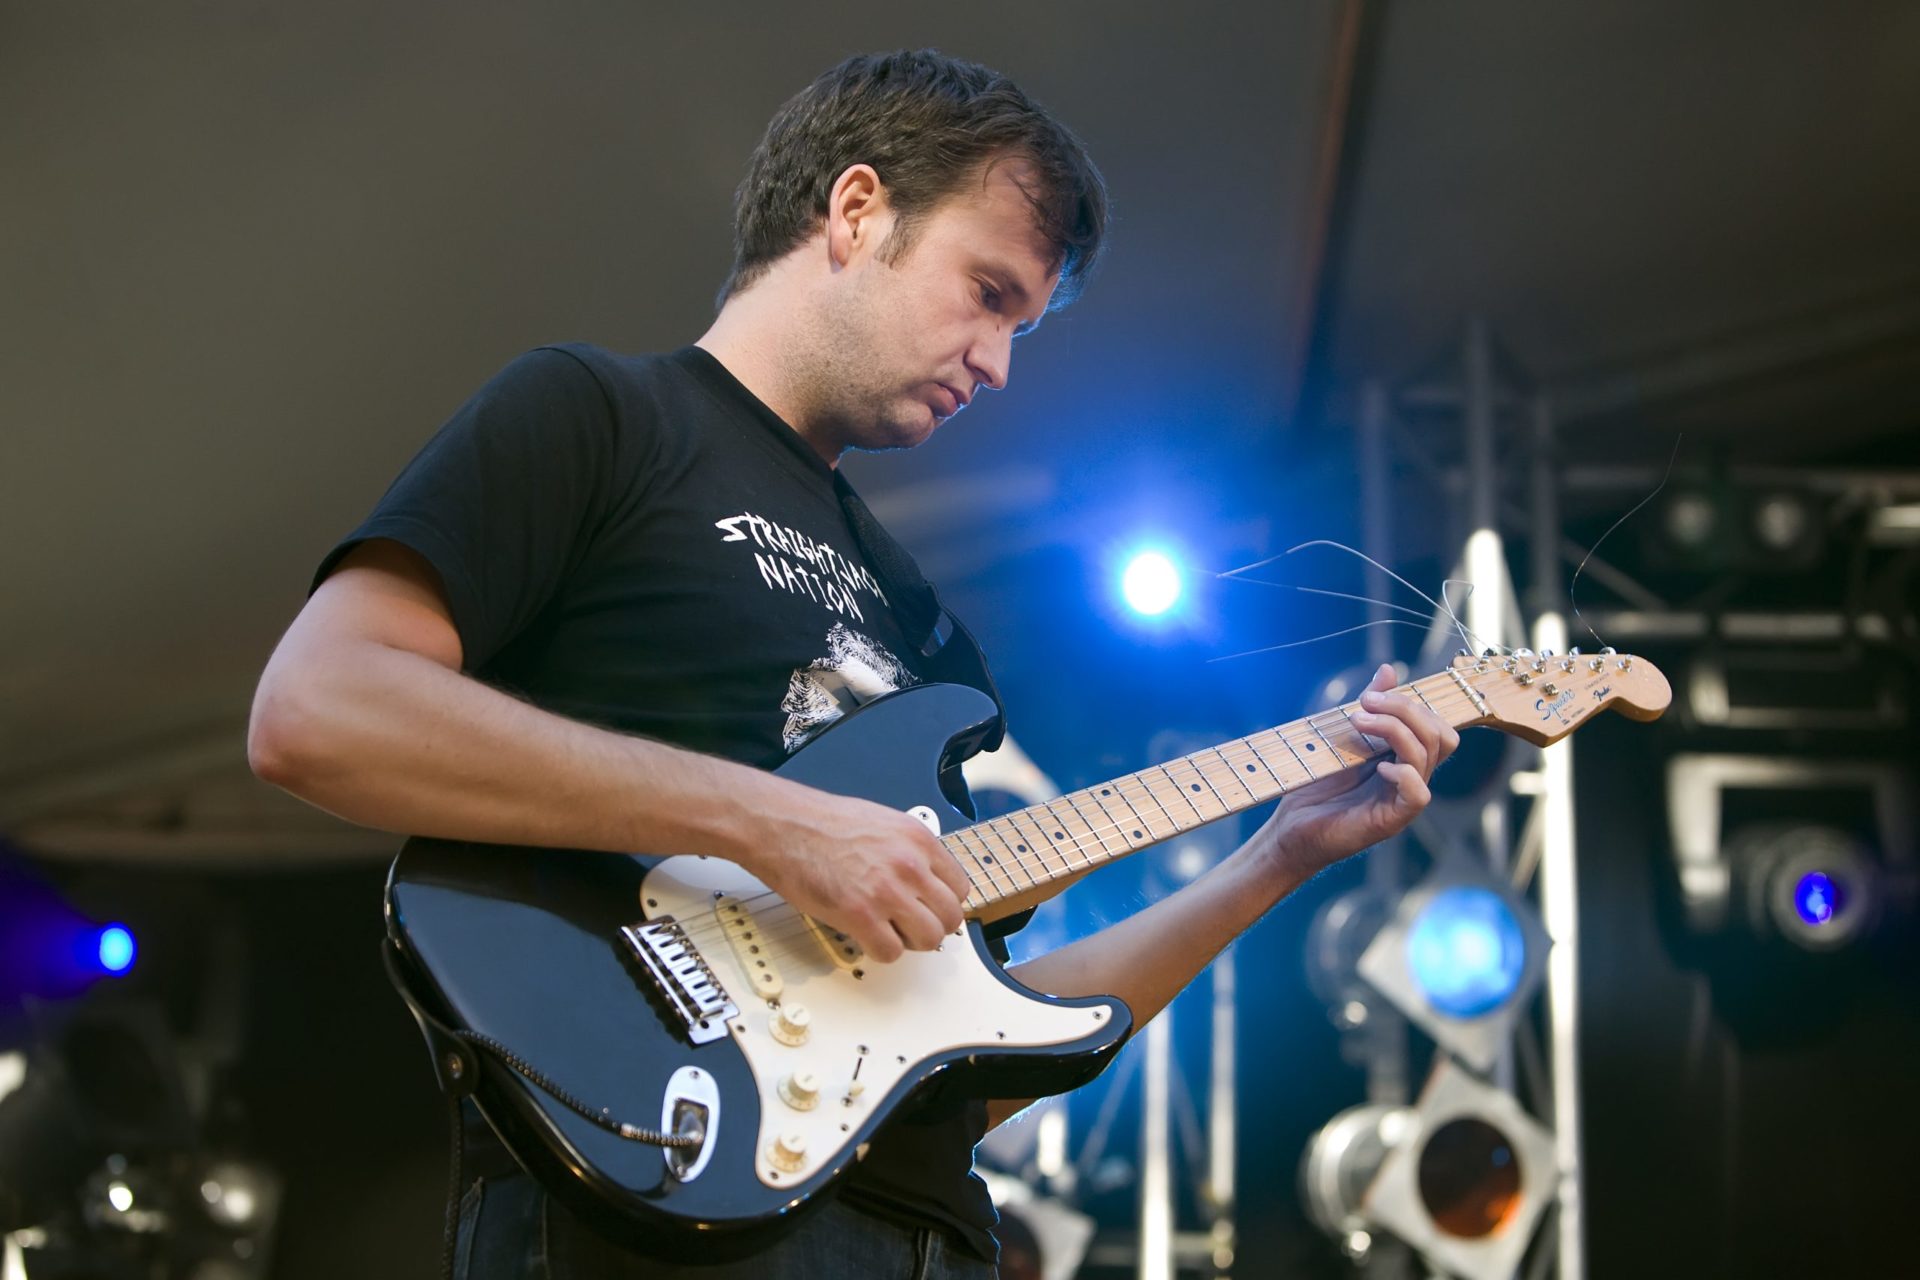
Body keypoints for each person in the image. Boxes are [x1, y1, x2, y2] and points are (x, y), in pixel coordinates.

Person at [248, 48, 1458, 1280]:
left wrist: (1279, 854)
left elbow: (961, 1067)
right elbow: (318, 710)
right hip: (650, 1202)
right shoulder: (598, 415)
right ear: (858, 209)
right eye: (987, 292)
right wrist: (778, 824)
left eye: (1022, 325)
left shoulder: (925, 624)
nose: (998, 363)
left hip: (924, 1237)